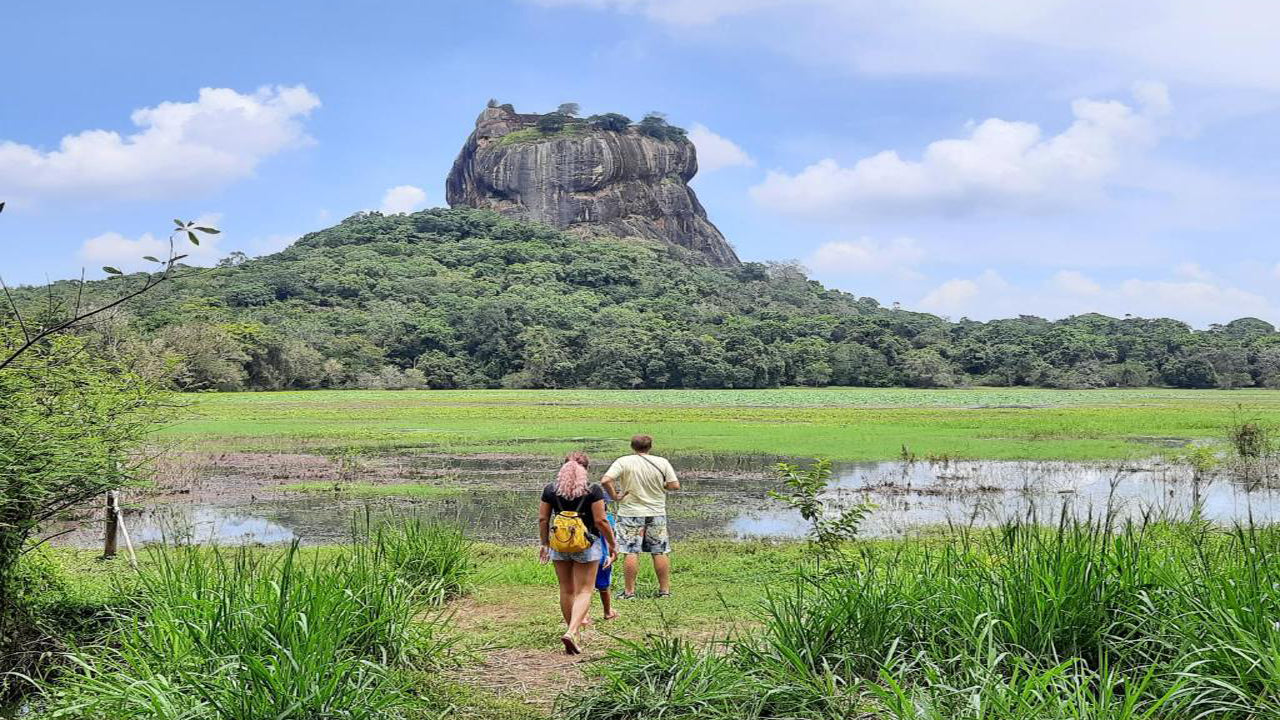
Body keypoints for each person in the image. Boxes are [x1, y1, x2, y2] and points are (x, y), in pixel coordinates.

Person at [539, 451, 617, 654]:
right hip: (587, 545)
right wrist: (612, 544)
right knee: (584, 590)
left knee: (566, 590)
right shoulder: (593, 490)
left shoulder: (550, 490)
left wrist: (544, 543)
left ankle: (572, 631)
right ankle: (573, 631)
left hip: (559, 544)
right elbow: (600, 521)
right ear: (586, 469)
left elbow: (543, 519)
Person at [601, 435, 680, 599]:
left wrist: (615, 495)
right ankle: (664, 591)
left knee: (630, 551)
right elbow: (674, 485)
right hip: (656, 512)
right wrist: (662, 485)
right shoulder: (662, 462)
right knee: (659, 551)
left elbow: (606, 480)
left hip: (630, 512)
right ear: (650, 447)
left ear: (632, 446)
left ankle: (629, 592)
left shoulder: (623, 461)